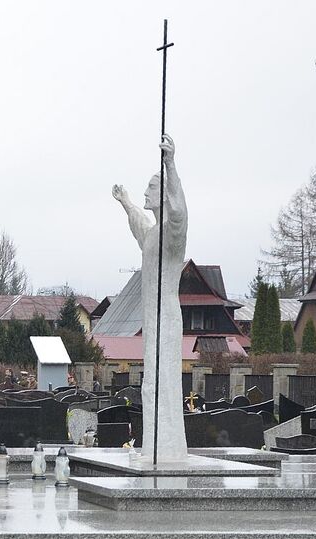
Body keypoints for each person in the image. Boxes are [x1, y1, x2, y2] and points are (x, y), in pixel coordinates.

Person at [113, 134, 190, 461]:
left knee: (164, 383)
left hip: (167, 319)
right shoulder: (153, 234)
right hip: (154, 319)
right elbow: (139, 225)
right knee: (152, 384)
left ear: (164, 195)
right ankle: (157, 446)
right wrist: (127, 202)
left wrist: (170, 165)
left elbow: (180, 214)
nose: (146, 192)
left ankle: (167, 447)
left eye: (150, 188)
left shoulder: (172, 235)